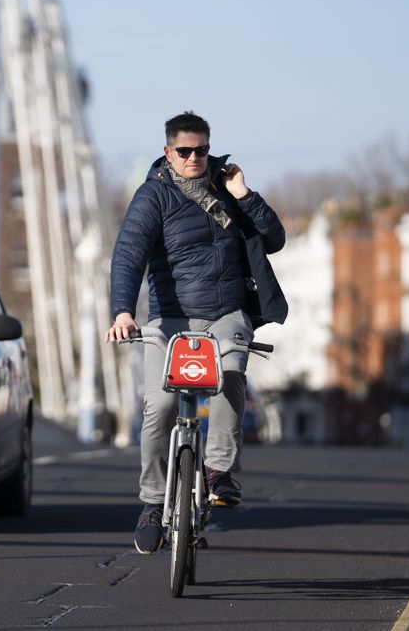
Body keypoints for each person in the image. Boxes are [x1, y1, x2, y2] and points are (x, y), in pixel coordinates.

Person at [104, 111, 285, 554]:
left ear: (208, 148)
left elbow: (274, 238)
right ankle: (151, 501)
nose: (193, 158)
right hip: (170, 320)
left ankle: (220, 472)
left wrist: (245, 195)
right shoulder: (153, 197)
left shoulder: (228, 188)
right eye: (184, 151)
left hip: (227, 314)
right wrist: (124, 312)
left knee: (231, 373)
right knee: (160, 406)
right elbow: (128, 254)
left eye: (200, 150)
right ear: (168, 152)